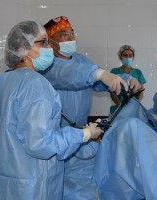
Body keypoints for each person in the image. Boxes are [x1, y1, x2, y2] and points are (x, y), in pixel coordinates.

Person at [0, 21, 103, 200]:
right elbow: (41, 145)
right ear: (25, 48)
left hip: (6, 180)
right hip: (33, 184)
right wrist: (85, 134)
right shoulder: (35, 84)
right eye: (44, 42)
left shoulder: (1, 82)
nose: (49, 48)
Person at [42, 16, 142, 200]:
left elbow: (102, 80)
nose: (71, 38)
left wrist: (126, 79)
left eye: (72, 33)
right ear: (51, 41)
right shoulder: (47, 65)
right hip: (56, 138)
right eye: (64, 35)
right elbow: (69, 75)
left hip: (82, 133)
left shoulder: (82, 61)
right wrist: (96, 74)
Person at [109, 45, 146, 115]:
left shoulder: (138, 72)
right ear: (121, 57)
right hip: (117, 108)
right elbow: (112, 93)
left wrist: (134, 106)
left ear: (133, 57)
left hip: (133, 109)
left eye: (130, 55)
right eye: (125, 55)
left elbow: (141, 91)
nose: (128, 57)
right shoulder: (114, 71)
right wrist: (121, 106)